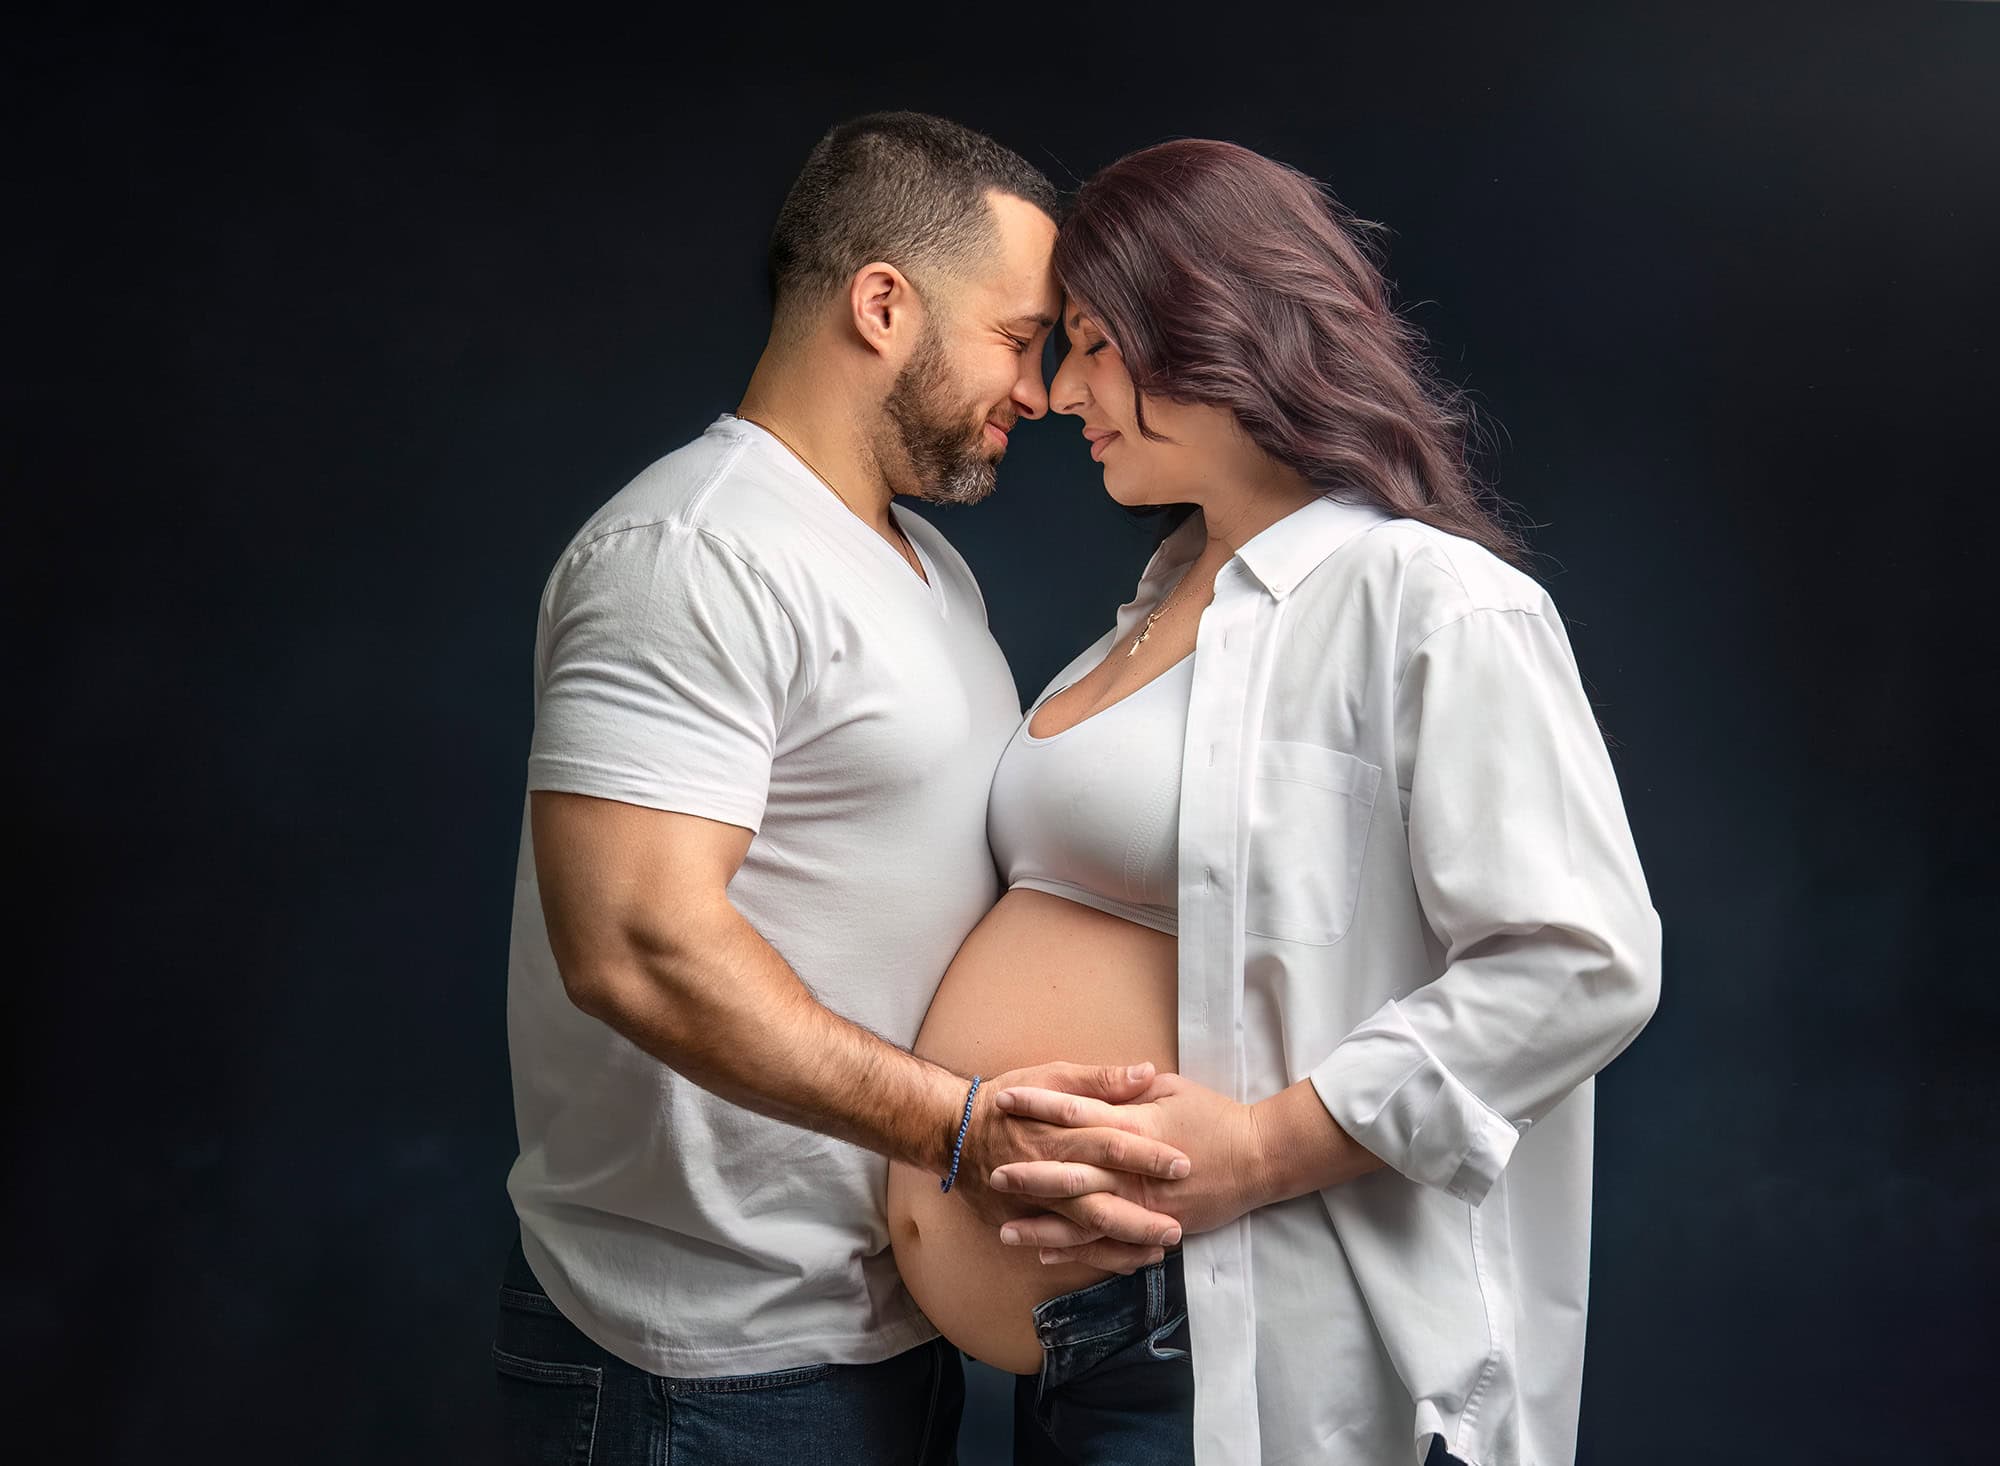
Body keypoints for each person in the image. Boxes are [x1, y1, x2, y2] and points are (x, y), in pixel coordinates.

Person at [886, 139, 1663, 1466]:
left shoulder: (1428, 598)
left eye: (1089, 342)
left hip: (1232, 1339)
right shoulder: (1148, 615)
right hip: (1083, 1361)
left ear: (1208, 319)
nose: (1062, 392)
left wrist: (1255, 1147)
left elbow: (1581, 959)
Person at [493, 112, 1190, 1466]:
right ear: (883, 304)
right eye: (1018, 336)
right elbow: (638, 950)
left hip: (878, 1331)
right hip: (704, 1364)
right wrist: (959, 1124)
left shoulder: (923, 560)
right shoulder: (689, 554)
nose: (1041, 390)